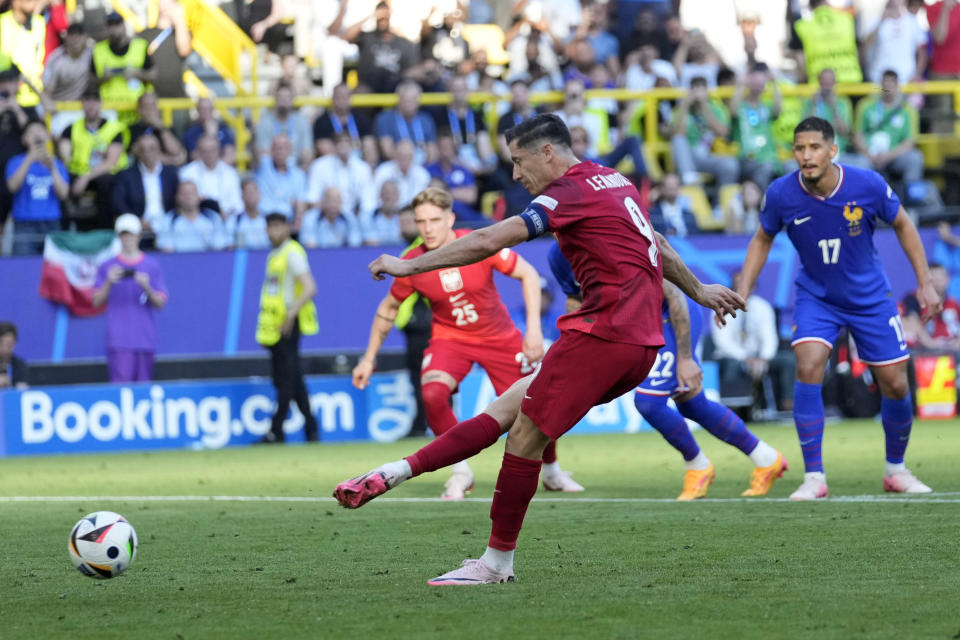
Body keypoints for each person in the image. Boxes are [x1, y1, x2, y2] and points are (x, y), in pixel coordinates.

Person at [333, 114, 745, 585]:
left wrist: (409, 266)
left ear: (547, 152)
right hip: (637, 343)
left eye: (518, 161)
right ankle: (392, 473)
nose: (514, 175)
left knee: (524, 439)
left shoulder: (566, 193)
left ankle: (495, 564)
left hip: (603, 335)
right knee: (506, 409)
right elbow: (660, 243)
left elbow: (488, 239)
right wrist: (700, 290)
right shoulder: (614, 180)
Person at [737, 116, 939, 501]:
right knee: (809, 364)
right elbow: (762, 238)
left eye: (814, 148)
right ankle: (814, 476)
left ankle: (896, 469)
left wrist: (925, 283)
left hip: (869, 297)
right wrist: (744, 291)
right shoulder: (781, 194)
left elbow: (904, 224)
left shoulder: (867, 184)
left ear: (832, 150)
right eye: (800, 148)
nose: (806, 156)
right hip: (817, 296)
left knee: (895, 382)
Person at [350, 185, 583, 500]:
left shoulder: (477, 244)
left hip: (498, 336)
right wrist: (368, 358)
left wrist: (533, 331)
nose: (428, 228)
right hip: (450, 339)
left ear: (451, 218)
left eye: (435, 219)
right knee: (432, 394)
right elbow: (388, 308)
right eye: (421, 222)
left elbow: (528, 274)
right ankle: (461, 471)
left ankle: (552, 471)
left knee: (535, 402)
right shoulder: (412, 262)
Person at [548, 243, 787, 500]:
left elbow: (674, 295)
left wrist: (685, 358)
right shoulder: (557, 256)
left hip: (671, 316)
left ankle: (697, 465)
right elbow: (576, 298)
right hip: (639, 323)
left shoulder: (610, 245)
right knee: (692, 404)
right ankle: (767, 458)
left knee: (649, 402)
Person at [255, 212, 320, 444]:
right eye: (269, 227)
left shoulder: (292, 253)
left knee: (286, 379)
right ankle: (311, 428)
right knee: (291, 378)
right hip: (275, 325)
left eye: (276, 226)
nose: (272, 231)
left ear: (287, 227)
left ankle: (276, 429)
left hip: (288, 323)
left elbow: (310, 287)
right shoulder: (275, 255)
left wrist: (291, 313)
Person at [92, 214, 168, 383]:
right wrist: (109, 282)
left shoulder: (151, 265)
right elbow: (96, 301)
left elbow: (161, 303)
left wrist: (146, 287)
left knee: (143, 390)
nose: (127, 239)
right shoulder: (107, 266)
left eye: (131, 234)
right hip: (119, 340)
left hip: (144, 339)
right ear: (118, 236)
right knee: (120, 388)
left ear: (139, 236)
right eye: (124, 234)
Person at [712, 270, 795, 415]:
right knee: (732, 365)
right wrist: (745, 357)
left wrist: (764, 357)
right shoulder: (721, 307)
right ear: (731, 287)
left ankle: (789, 405)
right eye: (738, 285)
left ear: (754, 286)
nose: (742, 289)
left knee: (789, 360)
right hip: (733, 357)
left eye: (746, 284)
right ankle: (735, 410)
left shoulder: (763, 307)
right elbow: (723, 342)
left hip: (760, 357)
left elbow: (770, 338)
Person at [61, 88, 129, 230]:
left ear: (100, 103)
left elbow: (111, 162)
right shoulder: (71, 128)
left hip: (103, 174)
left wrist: (85, 177)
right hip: (77, 172)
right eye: (87, 100)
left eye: (95, 100)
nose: (91, 105)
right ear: (82, 104)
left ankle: (105, 230)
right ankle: (65, 231)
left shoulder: (114, 128)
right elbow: (65, 156)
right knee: (61, 182)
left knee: (107, 183)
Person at [5, 120, 69, 255]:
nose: (36, 135)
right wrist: (29, 159)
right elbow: (12, 187)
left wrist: (52, 169)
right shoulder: (15, 162)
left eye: (40, 130)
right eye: (31, 132)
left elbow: (63, 194)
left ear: (47, 136)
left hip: (52, 223)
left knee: (53, 271)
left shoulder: (57, 164)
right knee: (23, 270)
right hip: (24, 224)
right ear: (24, 139)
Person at [852, 70, 924, 188]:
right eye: (885, 84)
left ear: (897, 86)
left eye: (891, 84)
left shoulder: (908, 110)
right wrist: (868, 154)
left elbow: (909, 142)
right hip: (869, 155)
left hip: (894, 155)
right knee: (859, 163)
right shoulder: (865, 105)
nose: (888, 88)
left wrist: (888, 156)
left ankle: (910, 199)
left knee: (914, 158)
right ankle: (861, 201)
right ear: (881, 86)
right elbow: (858, 134)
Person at [669, 75, 739, 187]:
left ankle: (722, 201)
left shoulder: (717, 109)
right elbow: (677, 134)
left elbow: (722, 132)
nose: (697, 93)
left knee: (730, 165)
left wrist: (704, 105)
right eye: (694, 89)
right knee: (678, 140)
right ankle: (690, 181)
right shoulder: (680, 110)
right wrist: (685, 105)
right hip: (685, 157)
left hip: (708, 155)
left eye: (701, 89)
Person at [91, 12, 156, 125]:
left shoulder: (140, 46)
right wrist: (103, 78)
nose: (114, 29)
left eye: (117, 24)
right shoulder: (98, 49)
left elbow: (154, 74)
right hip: (109, 111)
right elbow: (90, 80)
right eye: (111, 25)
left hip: (137, 110)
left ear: (124, 26)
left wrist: (137, 74)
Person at [111, 132, 179, 232]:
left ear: (159, 150)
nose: (148, 153)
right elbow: (118, 203)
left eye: (152, 148)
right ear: (138, 153)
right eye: (143, 149)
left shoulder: (171, 174)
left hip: (167, 223)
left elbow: (178, 200)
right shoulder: (126, 175)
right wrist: (136, 220)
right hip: (137, 224)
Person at [42, 23, 93, 135]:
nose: (76, 39)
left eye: (79, 35)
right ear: (66, 38)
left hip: (83, 108)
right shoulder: (55, 60)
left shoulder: (91, 53)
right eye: (72, 35)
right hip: (60, 109)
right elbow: (47, 91)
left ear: (85, 37)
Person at [900, 262, 960, 351]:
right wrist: (929, 343)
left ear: (948, 279)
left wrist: (955, 345)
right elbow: (911, 323)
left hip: (952, 350)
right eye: (934, 279)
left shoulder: (953, 303)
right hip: (923, 351)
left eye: (941, 279)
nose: (938, 283)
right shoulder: (914, 299)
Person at [178, 135, 243, 218]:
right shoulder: (186, 173)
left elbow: (237, 203)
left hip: (228, 219)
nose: (209, 154)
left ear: (219, 151)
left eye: (212, 150)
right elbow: (184, 202)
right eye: (204, 151)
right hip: (198, 219)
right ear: (198, 152)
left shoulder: (230, 173)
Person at [154, 180, 227, 252]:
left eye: (192, 193)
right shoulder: (169, 220)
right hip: (179, 262)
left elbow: (219, 247)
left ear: (199, 196)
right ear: (176, 197)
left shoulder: (212, 217)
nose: (188, 197)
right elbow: (166, 249)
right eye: (184, 194)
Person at [313, 83, 377, 164]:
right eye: (339, 97)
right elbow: (324, 149)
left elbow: (369, 144)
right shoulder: (322, 122)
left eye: (345, 97)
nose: (342, 100)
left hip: (358, 165)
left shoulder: (361, 119)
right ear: (332, 98)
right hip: (333, 166)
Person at [255, 82, 313, 168]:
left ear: (293, 99)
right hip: (272, 169)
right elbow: (263, 153)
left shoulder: (303, 122)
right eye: (281, 97)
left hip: (297, 168)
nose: (284, 100)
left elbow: (307, 152)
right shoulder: (264, 122)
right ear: (275, 99)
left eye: (287, 97)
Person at [127, 92, 187, 166]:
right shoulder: (131, 129)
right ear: (139, 109)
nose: (150, 110)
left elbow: (175, 151)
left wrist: (161, 128)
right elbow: (134, 153)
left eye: (153, 105)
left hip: (165, 171)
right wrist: (169, 160)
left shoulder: (166, 128)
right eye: (146, 106)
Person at [182, 97, 236, 164]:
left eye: (208, 109)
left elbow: (230, 156)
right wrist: (210, 135)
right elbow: (196, 157)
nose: (205, 112)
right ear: (197, 110)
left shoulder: (223, 129)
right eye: (202, 109)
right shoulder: (191, 132)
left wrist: (217, 169)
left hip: (222, 170)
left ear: (213, 109)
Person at [226, 179, 270, 249]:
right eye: (247, 193)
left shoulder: (268, 220)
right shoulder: (233, 221)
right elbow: (229, 246)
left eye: (253, 192)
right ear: (242, 196)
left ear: (259, 195)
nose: (250, 196)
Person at [0, 321, 29, 389]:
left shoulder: (20, 365)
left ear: (14, 343)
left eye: (9, 345)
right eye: (1, 344)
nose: (5, 349)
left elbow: (23, 386)